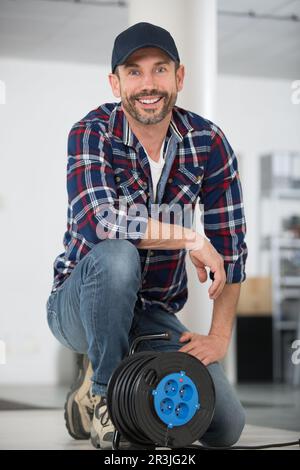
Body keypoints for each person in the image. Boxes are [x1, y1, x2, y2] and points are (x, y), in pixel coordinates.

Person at [46, 22, 248, 450]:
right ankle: (102, 396)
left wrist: (219, 337)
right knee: (118, 255)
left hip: (151, 313)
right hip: (78, 306)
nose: (148, 84)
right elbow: (101, 223)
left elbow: (230, 248)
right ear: (115, 83)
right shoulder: (92, 132)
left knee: (224, 425)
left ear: (179, 77)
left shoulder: (208, 143)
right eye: (134, 72)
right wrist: (191, 239)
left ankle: (103, 378)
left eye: (160, 69)